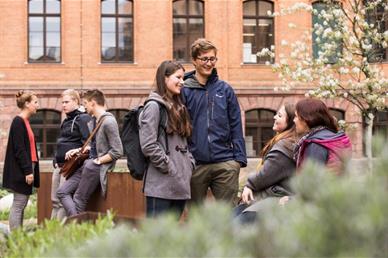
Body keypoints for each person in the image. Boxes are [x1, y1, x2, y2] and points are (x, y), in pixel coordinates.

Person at [181, 38, 247, 205]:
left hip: (225, 163)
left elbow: (236, 124)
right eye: (204, 59)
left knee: (229, 215)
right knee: (196, 217)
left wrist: (238, 160)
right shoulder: (185, 90)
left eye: (212, 59)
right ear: (194, 61)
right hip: (195, 164)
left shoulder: (225, 90)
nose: (209, 63)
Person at [139, 60, 195, 218]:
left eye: (183, 78)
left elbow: (184, 143)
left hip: (180, 184)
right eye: (178, 77)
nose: (182, 82)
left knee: (171, 237)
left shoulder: (178, 106)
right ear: (165, 78)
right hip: (161, 185)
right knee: (156, 238)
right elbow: (148, 144)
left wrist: (188, 164)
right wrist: (168, 166)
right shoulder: (153, 106)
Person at [57, 89, 123, 216]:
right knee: (62, 192)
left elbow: (118, 151)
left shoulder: (109, 121)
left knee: (79, 199)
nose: (83, 106)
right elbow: (95, 146)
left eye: (85, 103)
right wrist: (79, 150)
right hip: (87, 164)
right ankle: (76, 224)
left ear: (93, 103)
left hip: (95, 166)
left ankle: (77, 230)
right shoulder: (93, 121)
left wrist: (98, 160)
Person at [236, 104, 297, 223]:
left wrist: (249, 185)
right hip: (273, 195)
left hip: (274, 198)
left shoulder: (284, 146)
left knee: (235, 224)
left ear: (290, 122)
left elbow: (265, 174)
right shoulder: (283, 141)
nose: (274, 117)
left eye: (279, 115)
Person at [2, 90, 40, 230]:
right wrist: (28, 171)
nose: (37, 105)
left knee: (21, 203)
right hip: (23, 169)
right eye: (35, 102)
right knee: (19, 203)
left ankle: (18, 235)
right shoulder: (18, 122)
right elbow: (20, 149)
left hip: (28, 167)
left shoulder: (25, 122)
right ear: (27, 104)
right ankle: (16, 237)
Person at [50, 89, 91, 220]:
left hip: (71, 166)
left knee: (62, 201)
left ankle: (60, 234)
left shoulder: (83, 118)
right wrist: (55, 158)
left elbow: (88, 144)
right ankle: (51, 233)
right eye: (62, 102)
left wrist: (76, 153)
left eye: (66, 102)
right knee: (54, 201)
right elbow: (62, 141)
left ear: (76, 101)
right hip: (59, 165)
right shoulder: (66, 120)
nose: (63, 105)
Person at [293, 98, 352, 173]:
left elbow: (311, 180)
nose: (294, 120)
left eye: (296, 116)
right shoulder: (332, 136)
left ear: (306, 118)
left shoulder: (316, 144)